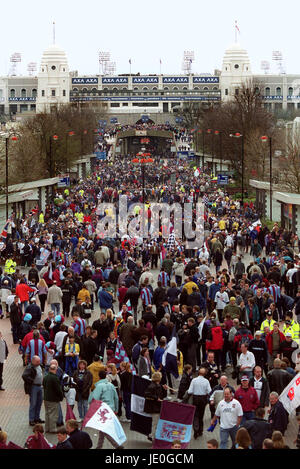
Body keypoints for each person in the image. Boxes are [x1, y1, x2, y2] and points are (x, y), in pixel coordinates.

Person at [88, 369, 123, 449]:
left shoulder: (99, 386)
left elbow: (94, 398)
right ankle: (99, 446)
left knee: (104, 429)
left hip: (103, 410)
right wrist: (116, 410)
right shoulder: (111, 385)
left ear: (99, 377)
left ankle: (117, 445)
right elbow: (116, 398)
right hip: (111, 408)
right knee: (102, 428)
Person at [187, 367, 211, 439]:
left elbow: (190, 391)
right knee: (201, 415)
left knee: (195, 415)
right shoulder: (206, 381)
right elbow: (209, 391)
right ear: (204, 374)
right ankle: (200, 430)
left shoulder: (194, 380)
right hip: (203, 399)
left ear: (198, 373)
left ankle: (196, 429)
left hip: (195, 398)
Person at [144, 371, 168, 440]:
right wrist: (156, 398)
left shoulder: (158, 385)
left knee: (156, 423)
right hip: (154, 407)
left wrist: (165, 389)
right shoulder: (152, 386)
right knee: (155, 423)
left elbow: (163, 395)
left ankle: (152, 435)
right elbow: (146, 395)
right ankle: (153, 437)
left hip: (157, 407)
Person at [22, 355, 44, 426]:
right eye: (37, 361)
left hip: (40, 386)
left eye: (39, 361)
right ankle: (31, 420)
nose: (39, 362)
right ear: (33, 361)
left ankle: (37, 418)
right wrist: (32, 381)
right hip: (34, 387)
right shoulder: (30, 367)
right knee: (33, 403)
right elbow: (24, 376)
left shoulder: (39, 365)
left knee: (39, 403)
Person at [42, 363, 64, 433]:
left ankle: (47, 428)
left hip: (46, 398)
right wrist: (61, 396)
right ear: (55, 370)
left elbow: (44, 386)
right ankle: (52, 429)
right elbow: (58, 389)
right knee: (53, 414)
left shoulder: (45, 377)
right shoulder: (55, 378)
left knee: (47, 413)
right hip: (53, 399)